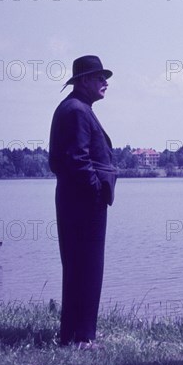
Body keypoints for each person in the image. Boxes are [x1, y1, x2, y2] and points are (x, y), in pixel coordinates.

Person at [49, 55, 117, 349]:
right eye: (100, 77)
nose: (105, 83)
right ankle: (82, 338)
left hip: (76, 199)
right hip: (83, 201)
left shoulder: (76, 108)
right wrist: (96, 190)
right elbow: (77, 160)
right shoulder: (77, 110)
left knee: (80, 267)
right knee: (85, 268)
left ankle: (76, 334)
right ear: (84, 81)